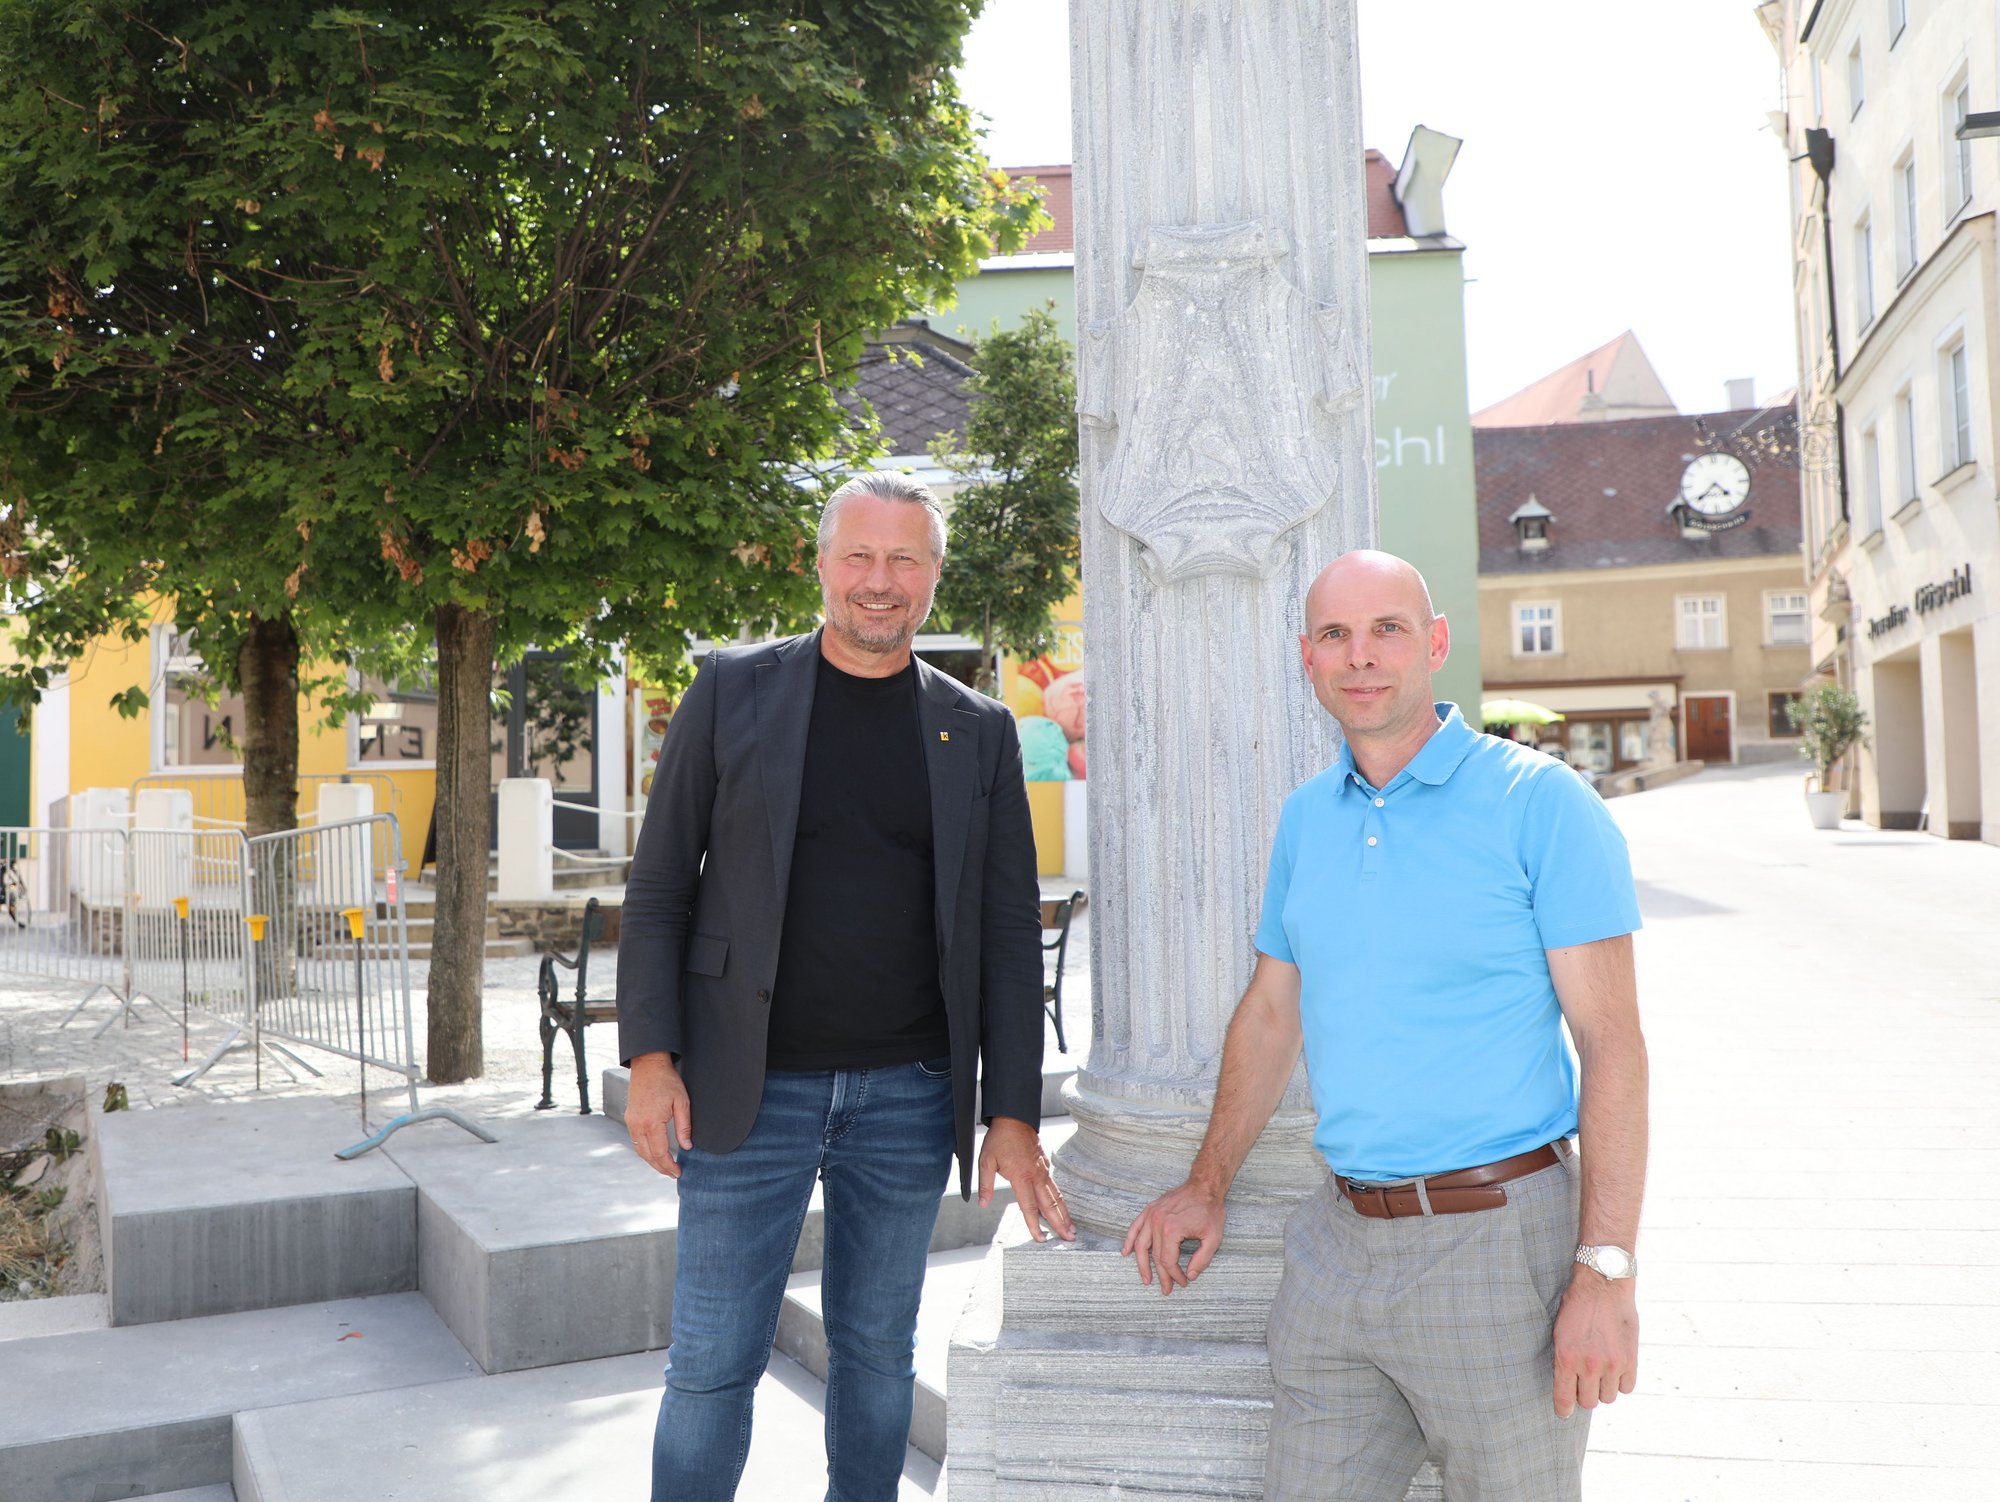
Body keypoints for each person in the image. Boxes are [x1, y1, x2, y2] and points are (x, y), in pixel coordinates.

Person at [1122, 549, 1648, 1502]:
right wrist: (1207, 1183)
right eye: (1335, 635)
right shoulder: (1306, 821)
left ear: (1435, 643)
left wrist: (1606, 1270)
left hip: (1496, 1245)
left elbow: (1612, 1045)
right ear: (1307, 658)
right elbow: (1272, 1013)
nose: (1361, 656)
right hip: (1337, 1249)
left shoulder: (1541, 804)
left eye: (1387, 630)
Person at [618, 471, 1075, 1502]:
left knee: (875, 1357)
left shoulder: (979, 730)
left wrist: (1009, 1110)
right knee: (709, 1363)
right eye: (859, 557)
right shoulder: (730, 692)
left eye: (903, 559)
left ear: (932, 576)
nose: (880, 581)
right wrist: (651, 1060)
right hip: (745, 1090)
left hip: (907, 1097)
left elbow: (1008, 934)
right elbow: (656, 892)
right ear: (819, 563)